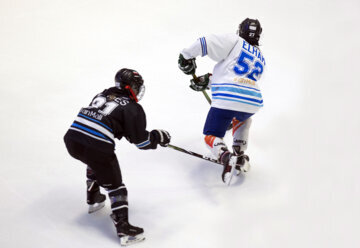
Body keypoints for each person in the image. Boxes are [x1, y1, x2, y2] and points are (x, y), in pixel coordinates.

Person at [63, 68, 171, 246]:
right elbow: (141, 142)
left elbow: (104, 119)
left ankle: (93, 196)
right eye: (136, 87)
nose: (138, 91)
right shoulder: (132, 108)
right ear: (130, 87)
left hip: (72, 140)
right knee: (116, 188)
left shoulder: (103, 94)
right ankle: (123, 228)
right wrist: (157, 137)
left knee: (93, 161)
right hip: (96, 147)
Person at [178, 18, 265, 185]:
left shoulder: (235, 41)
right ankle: (239, 155)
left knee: (211, 135)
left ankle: (225, 156)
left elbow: (206, 42)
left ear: (241, 30)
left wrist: (186, 56)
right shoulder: (260, 56)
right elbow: (238, 78)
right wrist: (208, 82)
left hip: (228, 97)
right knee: (243, 117)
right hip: (252, 100)